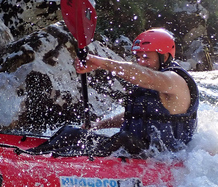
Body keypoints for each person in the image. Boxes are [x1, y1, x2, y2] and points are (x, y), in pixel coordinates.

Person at [31, 28, 199, 158]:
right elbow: (138, 115)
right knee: (71, 133)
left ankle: (52, 163)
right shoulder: (149, 79)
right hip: (136, 151)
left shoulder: (175, 81)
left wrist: (101, 63)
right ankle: (31, 156)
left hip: (162, 159)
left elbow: (149, 78)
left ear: (165, 57)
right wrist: (99, 125)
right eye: (138, 57)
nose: (140, 62)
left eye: (146, 57)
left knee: (122, 138)